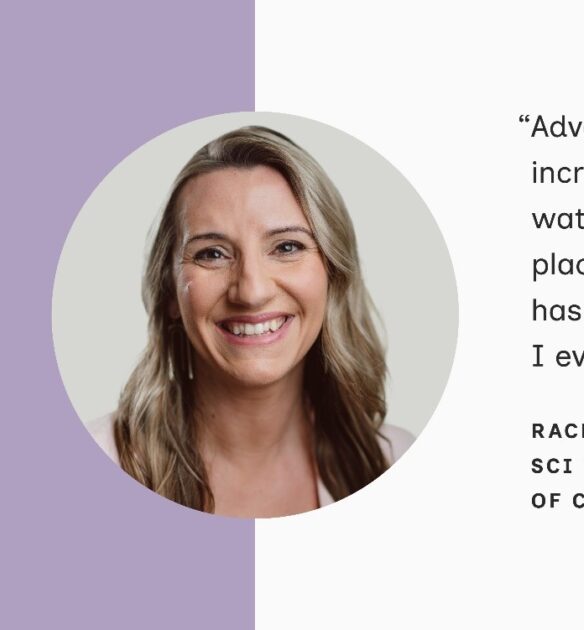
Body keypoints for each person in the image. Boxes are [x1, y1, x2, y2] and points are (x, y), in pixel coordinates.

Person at [88, 126, 413, 518]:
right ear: (170, 291)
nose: (252, 291)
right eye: (212, 254)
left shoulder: (394, 462)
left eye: (287, 247)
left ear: (333, 274)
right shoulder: (99, 458)